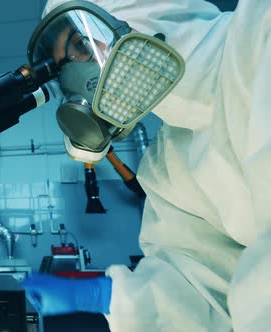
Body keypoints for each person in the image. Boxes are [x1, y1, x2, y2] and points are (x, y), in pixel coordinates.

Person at [21, 0, 271, 331]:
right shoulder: (170, 160)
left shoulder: (260, 35)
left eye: (82, 46)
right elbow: (202, 285)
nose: (84, 77)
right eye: (66, 71)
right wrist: (114, 297)